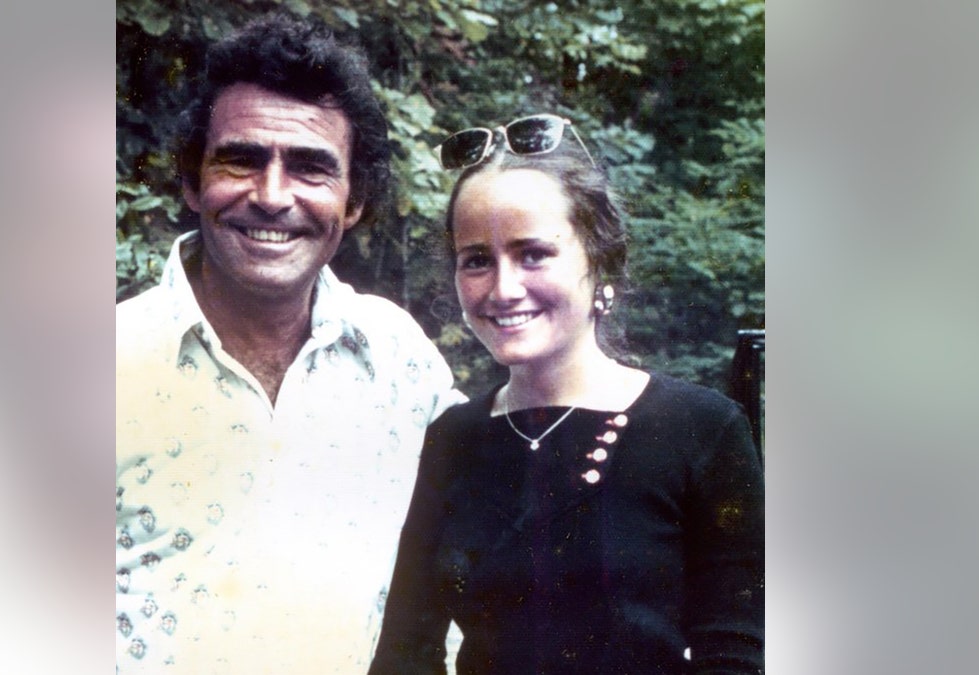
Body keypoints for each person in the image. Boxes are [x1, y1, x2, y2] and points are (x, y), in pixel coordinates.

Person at [115, 14, 463, 673]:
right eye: (241, 160)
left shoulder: (400, 358)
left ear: (353, 200)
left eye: (310, 168)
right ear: (191, 181)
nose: (272, 196)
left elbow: (506, 507)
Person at [369, 114, 764, 674]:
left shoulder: (702, 429)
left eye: (534, 253)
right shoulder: (455, 437)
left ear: (599, 260)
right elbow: (406, 651)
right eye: (477, 259)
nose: (504, 289)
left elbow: (738, 652)